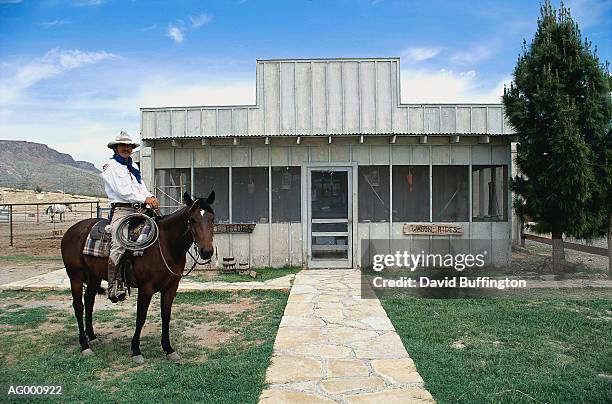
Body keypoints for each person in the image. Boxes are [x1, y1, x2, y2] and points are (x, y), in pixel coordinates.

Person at [100, 131, 159, 302]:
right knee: (120, 242)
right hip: (122, 210)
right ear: (116, 148)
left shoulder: (133, 167)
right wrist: (145, 198)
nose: (126, 148)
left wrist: (151, 197)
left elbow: (141, 188)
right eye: (123, 146)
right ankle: (113, 285)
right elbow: (123, 192)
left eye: (129, 146)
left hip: (140, 209)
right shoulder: (110, 167)